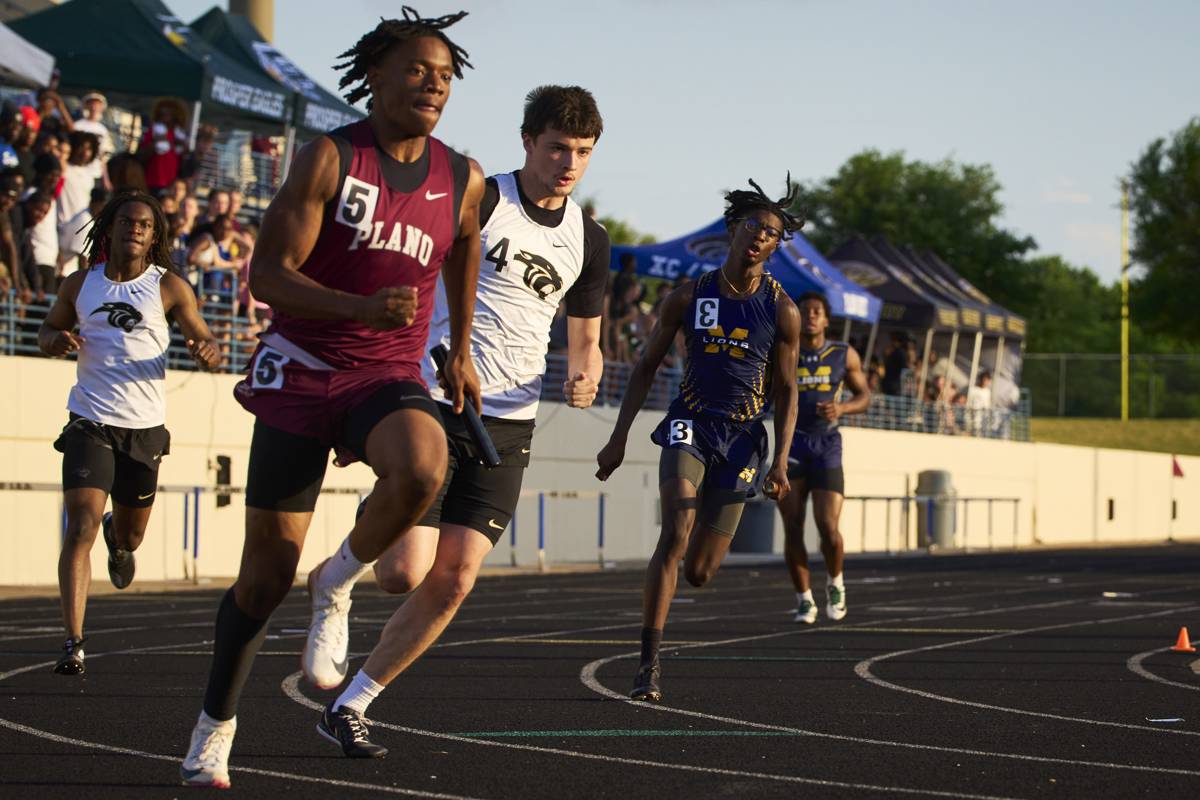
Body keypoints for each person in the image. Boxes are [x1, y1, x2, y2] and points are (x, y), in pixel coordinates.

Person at [180, 7, 483, 788]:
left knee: (423, 468)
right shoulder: (329, 159)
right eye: (417, 69)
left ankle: (339, 577)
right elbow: (267, 276)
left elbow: (467, 240)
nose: (433, 85)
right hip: (303, 368)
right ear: (375, 75)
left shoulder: (462, 176)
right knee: (262, 578)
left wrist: (463, 347)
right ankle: (215, 725)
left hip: (384, 373)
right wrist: (357, 306)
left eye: (445, 76)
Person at [303, 84, 609, 757]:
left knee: (456, 580)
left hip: (511, 421)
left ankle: (351, 705)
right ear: (528, 140)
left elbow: (586, 339)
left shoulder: (589, 238)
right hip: (436, 397)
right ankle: (348, 557)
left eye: (582, 151)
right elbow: (408, 265)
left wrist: (587, 373)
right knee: (401, 574)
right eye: (557, 146)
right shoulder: (484, 198)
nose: (568, 162)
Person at [596, 177, 803, 703]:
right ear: (733, 229)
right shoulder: (689, 296)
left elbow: (787, 389)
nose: (760, 236)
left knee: (702, 572)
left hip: (743, 437)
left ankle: (692, 564)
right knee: (676, 528)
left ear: (777, 246)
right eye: (753, 225)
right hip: (690, 421)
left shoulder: (783, 311)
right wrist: (618, 438)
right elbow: (644, 367)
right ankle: (648, 665)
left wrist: (780, 461)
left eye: (772, 232)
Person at [37, 190, 221, 675]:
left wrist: (206, 351)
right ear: (110, 228)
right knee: (80, 525)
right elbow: (46, 330)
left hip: (143, 430)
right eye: (127, 221)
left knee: (132, 536)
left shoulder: (169, 288)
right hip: (90, 421)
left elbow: (204, 337)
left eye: (144, 224)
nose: (135, 229)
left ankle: (119, 543)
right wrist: (56, 340)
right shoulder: (81, 284)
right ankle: (73, 640)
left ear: (154, 234)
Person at [777, 291, 870, 624]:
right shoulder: (786, 351)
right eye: (806, 311)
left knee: (828, 527)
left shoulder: (843, 354)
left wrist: (842, 407)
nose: (812, 316)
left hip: (827, 444)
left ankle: (836, 582)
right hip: (792, 444)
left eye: (817, 311)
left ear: (827, 319)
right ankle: (804, 599)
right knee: (792, 525)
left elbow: (865, 395)